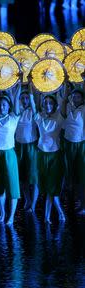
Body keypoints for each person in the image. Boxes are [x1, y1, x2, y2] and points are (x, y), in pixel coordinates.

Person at [0, 80, 21, 225]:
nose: (2, 106)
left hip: (8, 154)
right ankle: (2, 212)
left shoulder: (14, 117)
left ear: (9, 107)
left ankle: (11, 216)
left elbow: (16, 98)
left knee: (12, 185)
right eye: (0, 105)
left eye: (5, 105)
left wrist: (18, 83)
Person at [34, 93, 66, 223]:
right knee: (46, 187)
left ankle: (53, 214)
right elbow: (32, 101)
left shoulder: (59, 117)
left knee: (52, 187)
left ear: (54, 105)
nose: (48, 105)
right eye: (46, 102)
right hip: (41, 154)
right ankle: (53, 215)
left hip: (55, 155)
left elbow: (63, 102)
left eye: (50, 103)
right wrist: (31, 84)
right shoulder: (39, 117)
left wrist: (64, 84)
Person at [15, 86, 39, 213]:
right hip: (19, 146)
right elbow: (13, 96)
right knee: (22, 176)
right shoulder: (17, 112)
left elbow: (34, 99)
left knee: (34, 177)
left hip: (31, 146)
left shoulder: (33, 111)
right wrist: (18, 84)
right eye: (22, 98)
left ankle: (34, 204)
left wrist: (30, 85)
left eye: (26, 98)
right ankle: (28, 199)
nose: (24, 100)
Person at [62, 87, 85, 215]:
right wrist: (65, 84)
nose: (75, 98)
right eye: (74, 96)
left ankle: (83, 205)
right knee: (69, 174)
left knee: (81, 176)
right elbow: (65, 100)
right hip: (68, 143)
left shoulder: (84, 109)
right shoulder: (69, 107)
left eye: (78, 97)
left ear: (82, 98)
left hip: (81, 144)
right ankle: (70, 203)